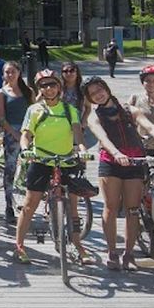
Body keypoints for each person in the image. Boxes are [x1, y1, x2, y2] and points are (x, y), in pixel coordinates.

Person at [84, 77, 154, 271]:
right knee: (111, 207)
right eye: (93, 93)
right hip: (111, 162)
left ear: (106, 88)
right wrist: (116, 153)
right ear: (90, 98)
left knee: (132, 209)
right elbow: (102, 137)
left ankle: (129, 254)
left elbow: (151, 128)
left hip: (135, 161)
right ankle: (112, 251)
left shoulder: (130, 110)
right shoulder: (94, 116)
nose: (99, 94)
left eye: (100, 89)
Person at [13, 69, 92, 266]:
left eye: (52, 84)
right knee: (30, 203)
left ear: (59, 87)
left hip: (65, 160)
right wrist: (25, 149)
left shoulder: (69, 110)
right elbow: (26, 134)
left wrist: (82, 149)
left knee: (73, 204)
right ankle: (19, 245)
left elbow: (78, 134)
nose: (49, 89)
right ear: (39, 89)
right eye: (44, 85)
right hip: (41, 159)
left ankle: (77, 243)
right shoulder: (34, 110)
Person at [0, 62, 32, 224]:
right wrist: (14, 134)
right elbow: (1, 118)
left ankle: (30, 203)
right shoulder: (1, 93)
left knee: (32, 168)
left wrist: (28, 134)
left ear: (19, 72)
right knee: (10, 169)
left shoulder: (27, 91)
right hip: (11, 135)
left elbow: (35, 111)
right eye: (7, 72)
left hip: (29, 133)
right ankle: (8, 204)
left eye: (13, 71)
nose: (10, 75)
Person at [61, 62, 93, 148]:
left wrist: (84, 120)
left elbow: (88, 107)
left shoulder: (82, 89)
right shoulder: (58, 87)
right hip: (60, 124)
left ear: (77, 72)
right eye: (65, 71)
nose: (69, 73)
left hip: (77, 126)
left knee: (78, 152)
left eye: (72, 71)